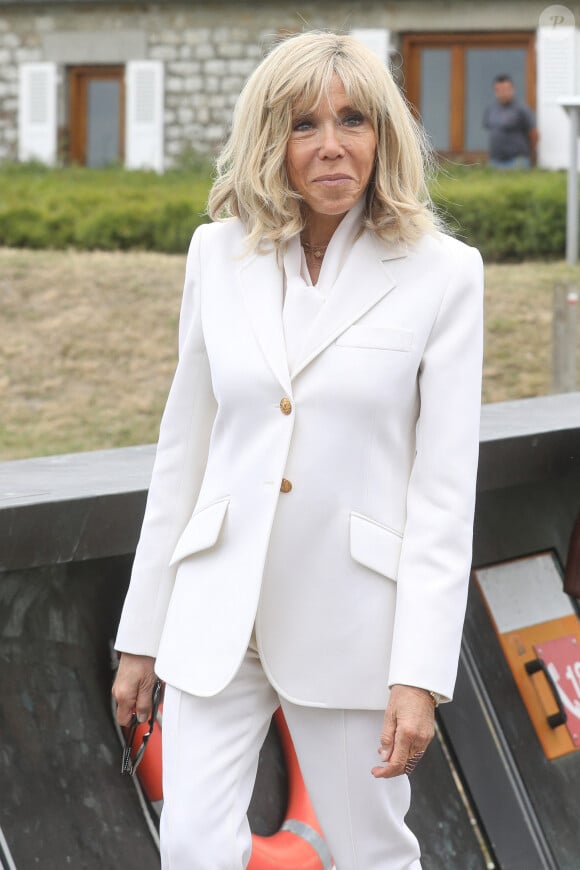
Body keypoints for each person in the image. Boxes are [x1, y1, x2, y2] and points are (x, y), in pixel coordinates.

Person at [112, 30, 483, 869]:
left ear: (382, 135)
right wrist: (143, 634)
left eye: (353, 120)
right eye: (304, 124)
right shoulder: (217, 256)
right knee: (194, 849)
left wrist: (419, 675)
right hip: (218, 617)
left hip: (351, 622)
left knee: (372, 854)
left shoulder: (444, 275)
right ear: (270, 140)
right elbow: (185, 451)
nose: (331, 145)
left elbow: (443, 493)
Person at [483, 74, 538, 169]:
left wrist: (530, 155)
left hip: (516, 162)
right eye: (499, 90)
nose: (503, 93)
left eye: (505, 89)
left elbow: (533, 134)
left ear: (512, 89)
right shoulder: (491, 110)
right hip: (495, 162)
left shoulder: (522, 109)